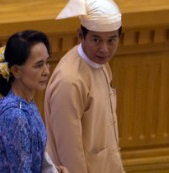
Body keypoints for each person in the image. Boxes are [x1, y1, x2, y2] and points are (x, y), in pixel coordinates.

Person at [44, 0, 125, 172]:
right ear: (80, 35)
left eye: (111, 40)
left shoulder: (101, 64)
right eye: (96, 40)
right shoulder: (70, 81)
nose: (104, 49)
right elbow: (69, 152)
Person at [0, 30, 60, 173]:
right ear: (16, 71)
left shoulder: (24, 104)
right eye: (39, 65)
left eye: (47, 63)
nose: (46, 71)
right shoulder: (15, 116)